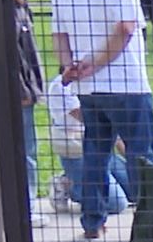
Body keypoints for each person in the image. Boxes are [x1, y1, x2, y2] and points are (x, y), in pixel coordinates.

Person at [54, 0, 153, 240]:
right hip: (126, 83)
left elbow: (59, 34)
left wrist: (70, 67)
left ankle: (92, 220)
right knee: (142, 152)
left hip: (88, 89)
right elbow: (126, 29)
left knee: (95, 152)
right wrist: (92, 64)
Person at [0, 0, 48, 223]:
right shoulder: (2, 5)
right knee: (24, 150)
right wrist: (24, 88)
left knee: (25, 148)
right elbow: (10, 53)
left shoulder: (19, 3)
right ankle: (26, 206)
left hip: (25, 89)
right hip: (16, 90)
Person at [43, 72, 129, 217]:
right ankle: (69, 185)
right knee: (117, 204)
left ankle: (82, 178)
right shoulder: (61, 86)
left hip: (102, 148)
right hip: (77, 151)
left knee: (137, 189)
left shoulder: (101, 80)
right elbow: (92, 119)